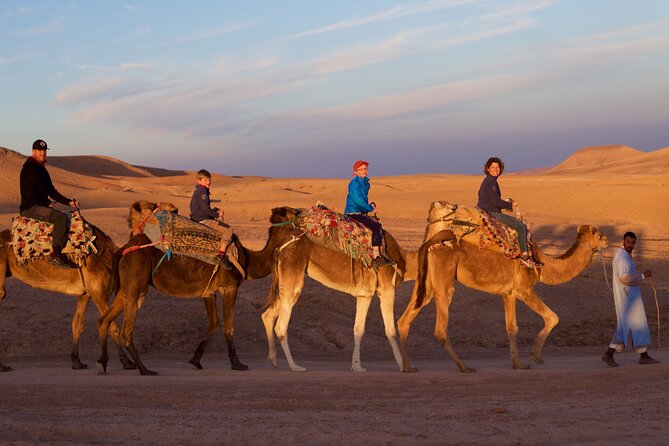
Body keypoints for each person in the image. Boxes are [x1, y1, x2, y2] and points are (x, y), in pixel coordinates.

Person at [601, 232, 659, 367]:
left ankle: (641, 355)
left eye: (633, 243)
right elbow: (624, 278)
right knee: (632, 325)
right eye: (628, 242)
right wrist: (643, 275)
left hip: (630, 298)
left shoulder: (624, 255)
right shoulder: (622, 257)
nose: (630, 245)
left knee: (629, 326)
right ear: (624, 241)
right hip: (628, 299)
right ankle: (611, 354)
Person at [19, 139, 79, 269]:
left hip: (39, 206)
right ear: (33, 152)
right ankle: (56, 256)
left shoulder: (42, 170)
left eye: (45, 150)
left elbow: (51, 191)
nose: (43, 153)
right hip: (30, 208)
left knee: (69, 216)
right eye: (40, 150)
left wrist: (69, 202)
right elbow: (29, 193)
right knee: (60, 218)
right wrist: (46, 203)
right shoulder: (30, 169)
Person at [477, 156, 542, 268]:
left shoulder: (489, 181)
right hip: (492, 214)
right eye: (493, 167)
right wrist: (510, 205)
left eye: (497, 167)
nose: (495, 169)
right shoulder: (491, 182)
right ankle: (526, 258)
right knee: (521, 226)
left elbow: (493, 199)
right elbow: (495, 201)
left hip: (488, 211)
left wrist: (506, 203)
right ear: (488, 168)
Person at [344, 160, 393, 267]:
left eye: (365, 168)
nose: (364, 171)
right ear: (355, 172)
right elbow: (358, 200)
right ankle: (376, 257)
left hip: (361, 212)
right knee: (375, 227)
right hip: (353, 212)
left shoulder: (366, 184)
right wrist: (371, 209)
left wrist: (368, 209)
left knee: (376, 225)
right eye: (361, 169)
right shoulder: (354, 184)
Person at [189, 169, 233, 270]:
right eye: (205, 180)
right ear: (198, 181)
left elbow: (202, 208)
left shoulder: (198, 190)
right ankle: (221, 256)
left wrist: (215, 211)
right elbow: (204, 208)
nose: (208, 182)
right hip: (202, 220)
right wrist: (217, 215)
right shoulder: (202, 190)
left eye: (209, 180)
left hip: (197, 218)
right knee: (229, 230)